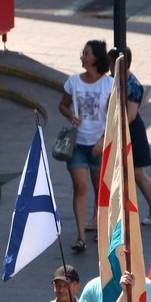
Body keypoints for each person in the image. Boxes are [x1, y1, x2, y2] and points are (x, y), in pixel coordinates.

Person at [59, 40, 113, 252]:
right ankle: (81, 236)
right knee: (80, 187)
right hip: (77, 144)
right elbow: (62, 105)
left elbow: (113, 117)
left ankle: (101, 229)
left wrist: (102, 141)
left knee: (100, 189)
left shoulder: (108, 84)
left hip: (99, 143)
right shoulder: (73, 81)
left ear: (96, 59)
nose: (82, 56)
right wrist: (70, 114)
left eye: (86, 53)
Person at [115, 47, 151, 221]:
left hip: (132, 131)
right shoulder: (118, 79)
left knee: (137, 173)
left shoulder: (132, 84)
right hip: (123, 128)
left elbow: (131, 115)